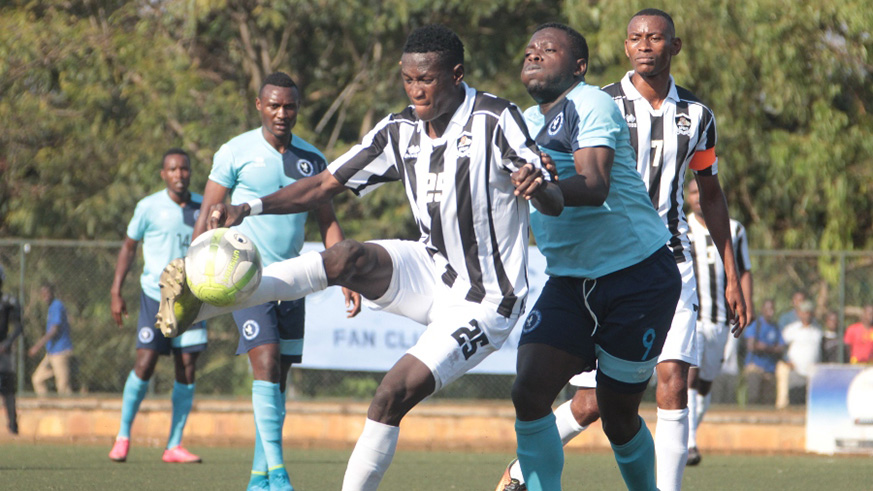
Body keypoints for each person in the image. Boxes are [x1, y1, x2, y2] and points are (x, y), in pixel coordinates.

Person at [156, 25, 563, 491]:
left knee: (391, 394)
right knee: (346, 257)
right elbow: (323, 185)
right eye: (407, 79)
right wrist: (247, 208)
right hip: (431, 267)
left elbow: (551, 198)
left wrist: (539, 188)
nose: (415, 91)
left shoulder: (496, 118)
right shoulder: (399, 130)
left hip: (487, 300)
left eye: (426, 80)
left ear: (456, 75)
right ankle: (198, 306)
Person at [497, 9, 748, 491]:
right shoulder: (591, 101)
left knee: (672, 382)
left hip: (660, 262)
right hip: (579, 272)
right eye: (636, 38)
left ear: (674, 46)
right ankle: (524, 470)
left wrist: (731, 273)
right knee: (587, 404)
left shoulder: (693, 116)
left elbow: (709, 192)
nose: (645, 45)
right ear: (625, 46)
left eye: (656, 37)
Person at [504, 23, 681, 491]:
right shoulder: (519, 124)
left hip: (637, 278)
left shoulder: (591, 103)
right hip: (569, 282)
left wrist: (546, 188)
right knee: (529, 392)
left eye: (549, 49)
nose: (534, 54)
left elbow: (595, 184)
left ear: (579, 67)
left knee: (618, 417)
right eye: (530, 49)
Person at [167, 71, 359, 490]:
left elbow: (328, 220)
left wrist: (346, 273)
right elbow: (207, 213)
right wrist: (190, 271)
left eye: (289, 106)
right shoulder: (235, 151)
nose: (281, 113)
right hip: (246, 281)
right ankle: (279, 474)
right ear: (259, 105)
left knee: (279, 379)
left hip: (294, 280)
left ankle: (258, 478)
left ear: (297, 108)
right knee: (266, 363)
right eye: (274, 105)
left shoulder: (312, 159)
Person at [107, 149, 207, 464]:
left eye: (184, 169)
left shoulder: (204, 207)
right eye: (173, 169)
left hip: (193, 298)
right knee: (145, 363)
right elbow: (129, 247)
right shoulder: (148, 207)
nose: (179, 174)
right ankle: (123, 436)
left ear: (190, 172)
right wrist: (116, 290)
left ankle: (174, 445)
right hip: (155, 296)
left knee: (187, 366)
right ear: (163, 174)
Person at [684, 178, 753, 465]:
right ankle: (689, 443)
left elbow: (744, 269)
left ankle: (689, 435)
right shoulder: (681, 227)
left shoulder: (734, 230)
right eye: (692, 192)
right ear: (687, 197)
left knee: (705, 384)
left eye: (701, 191)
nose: (697, 197)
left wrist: (748, 305)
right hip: (692, 316)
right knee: (689, 374)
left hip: (721, 319)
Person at [28, 283, 73, 395]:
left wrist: (37, 346)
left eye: (47, 293)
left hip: (61, 350)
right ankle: (45, 403)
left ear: (52, 293)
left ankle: (68, 406)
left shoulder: (57, 305)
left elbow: (54, 330)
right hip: (51, 352)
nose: (45, 296)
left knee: (63, 386)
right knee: (37, 379)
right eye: (43, 294)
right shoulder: (51, 308)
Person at [775, 300, 822, 408]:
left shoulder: (818, 330)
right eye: (804, 312)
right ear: (799, 313)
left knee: (810, 405)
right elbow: (780, 346)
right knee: (794, 401)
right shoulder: (791, 329)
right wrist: (786, 360)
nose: (807, 315)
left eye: (809, 312)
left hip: (812, 374)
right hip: (796, 372)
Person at [743, 299, 785, 405]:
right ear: (762, 309)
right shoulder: (755, 324)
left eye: (772, 309)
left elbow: (781, 348)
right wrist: (771, 348)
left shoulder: (775, 327)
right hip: (755, 368)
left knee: (768, 401)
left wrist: (764, 347)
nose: (770, 312)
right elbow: (751, 346)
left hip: (770, 370)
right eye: (768, 309)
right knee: (753, 397)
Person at [0, 265, 23, 434]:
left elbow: (18, 326)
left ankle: (13, 426)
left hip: (3, 352)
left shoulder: (8, 301)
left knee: (7, 389)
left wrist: (6, 344)